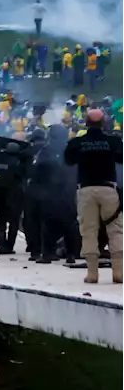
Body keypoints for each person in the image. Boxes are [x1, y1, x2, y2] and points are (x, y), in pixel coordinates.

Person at [63, 107, 124, 284]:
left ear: (87, 123)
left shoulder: (77, 142)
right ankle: (119, 272)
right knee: (116, 229)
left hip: (86, 190)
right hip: (108, 189)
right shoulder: (113, 141)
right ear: (103, 123)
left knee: (88, 230)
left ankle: (92, 274)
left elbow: (68, 161)